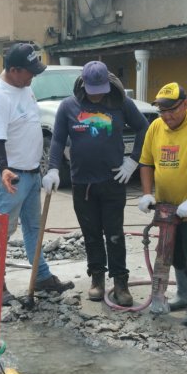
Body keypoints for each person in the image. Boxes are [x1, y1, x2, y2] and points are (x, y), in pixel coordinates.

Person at [43, 61, 148, 306]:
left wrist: (133, 160)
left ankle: (120, 282)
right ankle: (97, 279)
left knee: (114, 234)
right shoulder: (69, 106)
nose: (97, 95)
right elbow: (58, 140)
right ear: (83, 85)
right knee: (91, 235)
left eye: (101, 90)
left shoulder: (121, 102)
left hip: (113, 181)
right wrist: (53, 169)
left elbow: (144, 127)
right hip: (82, 184)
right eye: (93, 91)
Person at [0, 42, 74, 304]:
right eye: (29, 72)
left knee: (34, 228)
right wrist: (4, 169)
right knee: (3, 232)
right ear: (13, 70)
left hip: (32, 174)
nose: (33, 76)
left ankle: (41, 277)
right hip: (11, 178)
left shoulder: (24, 87)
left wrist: (44, 169)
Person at [136, 82, 187, 326]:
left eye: (172, 110)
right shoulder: (155, 127)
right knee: (174, 254)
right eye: (162, 111)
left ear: (185, 104)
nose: (167, 116)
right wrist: (147, 193)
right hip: (166, 208)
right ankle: (183, 295)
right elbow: (146, 162)